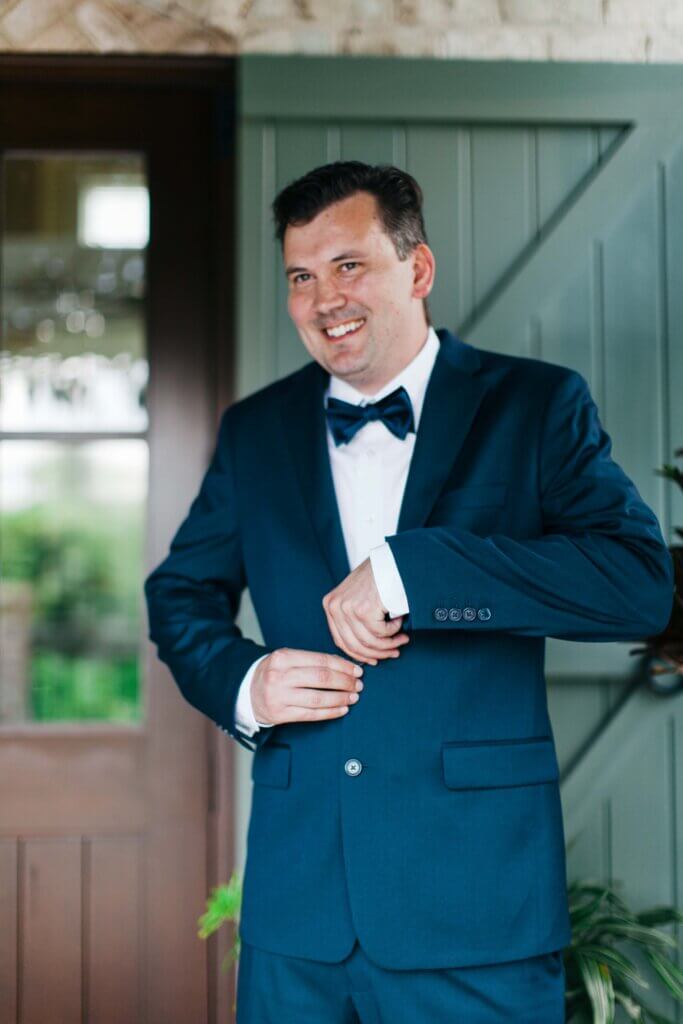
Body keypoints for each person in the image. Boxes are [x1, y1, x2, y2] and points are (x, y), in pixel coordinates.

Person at [144, 161, 674, 1023]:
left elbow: (638, 586)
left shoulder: (536, 406)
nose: (324, 299)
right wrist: (245, 680)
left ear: (416, 270)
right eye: (301, 278)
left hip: (476, 916)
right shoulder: (256, 429)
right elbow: (179, 595)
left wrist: (414, 568)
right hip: (296, 917)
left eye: (348, 265)